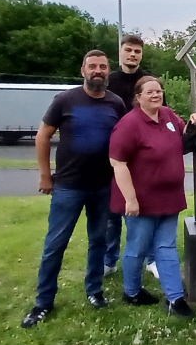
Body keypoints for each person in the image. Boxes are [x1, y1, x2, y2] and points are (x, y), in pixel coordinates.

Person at [22, 50, 126, 328]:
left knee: (99, 242)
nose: (98, 71)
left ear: (108, 71)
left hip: (103, 186)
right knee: (55, 245)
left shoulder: (116, 103)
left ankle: (94, 291)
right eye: (92, 66)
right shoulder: (65, 100)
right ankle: (43, 302)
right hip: (68, 186)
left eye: (103, 67)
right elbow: (42, 137)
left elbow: (125, 141)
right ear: (83, 70)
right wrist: (46, 175)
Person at [109, 76, 196, 318]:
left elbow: (186, 138)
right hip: (141, 200)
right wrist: (130, 199)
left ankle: (175, 299)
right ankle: (131, 292)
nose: (155, 95)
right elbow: (118, 163)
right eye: (149, 92)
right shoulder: (129, 124)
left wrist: (194, 124)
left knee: (167, 246)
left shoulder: (169, 116)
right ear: (138, 97)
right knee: (138, 248)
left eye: (159, 91)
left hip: (169, 198)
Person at [103, 34, 158, 280]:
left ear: (141, 54)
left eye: (137, 51)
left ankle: (152, 259)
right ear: (121, 53)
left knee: (146, 213)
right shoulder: (108, 81)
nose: (133, 54)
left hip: (143, 157)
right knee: (112, 214)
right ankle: (109, 261)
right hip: (114, 154)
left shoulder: (148, 81)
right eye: (128, 50)